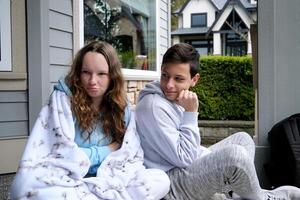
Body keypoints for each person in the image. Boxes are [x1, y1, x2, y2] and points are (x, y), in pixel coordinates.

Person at [135, 43, 300, 200]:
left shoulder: (173, 98)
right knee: (235, 157)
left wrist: (207, 156)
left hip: (182, 167)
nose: (169, 84)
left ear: (194, 80)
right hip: (172, 185)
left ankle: (236, 193)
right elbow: (185, 158)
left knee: (243, 140)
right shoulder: (153, 106)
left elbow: (187, 150)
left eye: (178, 79)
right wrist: (191, 113)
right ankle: (261, 197)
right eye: (165, 75)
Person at [11, 41, 169, 200]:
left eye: (101, 74)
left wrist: (107, 161)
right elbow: (60, 154)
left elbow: (129, 154)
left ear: (112, 75)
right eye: (86, 72)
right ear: (78, 73)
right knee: (24, 186)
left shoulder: (121, 107)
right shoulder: (63, 99)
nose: (92, 81)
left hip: (108, 177)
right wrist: (107, 150)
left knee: (160, 179)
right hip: (66, 179)